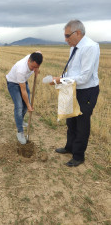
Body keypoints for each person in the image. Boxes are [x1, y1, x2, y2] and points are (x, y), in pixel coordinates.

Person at [52, 20, 100, 167]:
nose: (66, 40)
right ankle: (69, 147)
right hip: (72, 89)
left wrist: (62, 80)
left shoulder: (90, 47)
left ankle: (78, 156)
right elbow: (73, 70)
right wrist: (62, 79)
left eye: (68, 36)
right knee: (71, 121)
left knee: (82, 125)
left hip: (86, 92)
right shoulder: (74, 47)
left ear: (77, 33)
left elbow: (85, 77)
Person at [6, 52, 43, 145]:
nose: (34, 69)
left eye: (36, 67)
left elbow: (39, 52)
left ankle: (20, 120)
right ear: (28, 61)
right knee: (19, 107)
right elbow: (23, 91)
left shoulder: (35, 56)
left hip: (23, 81)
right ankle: (20, 132)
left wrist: (36, 69)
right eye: (32, 67)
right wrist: (28, 105)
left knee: (26, 107)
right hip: (13, 83)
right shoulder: (21, 70)